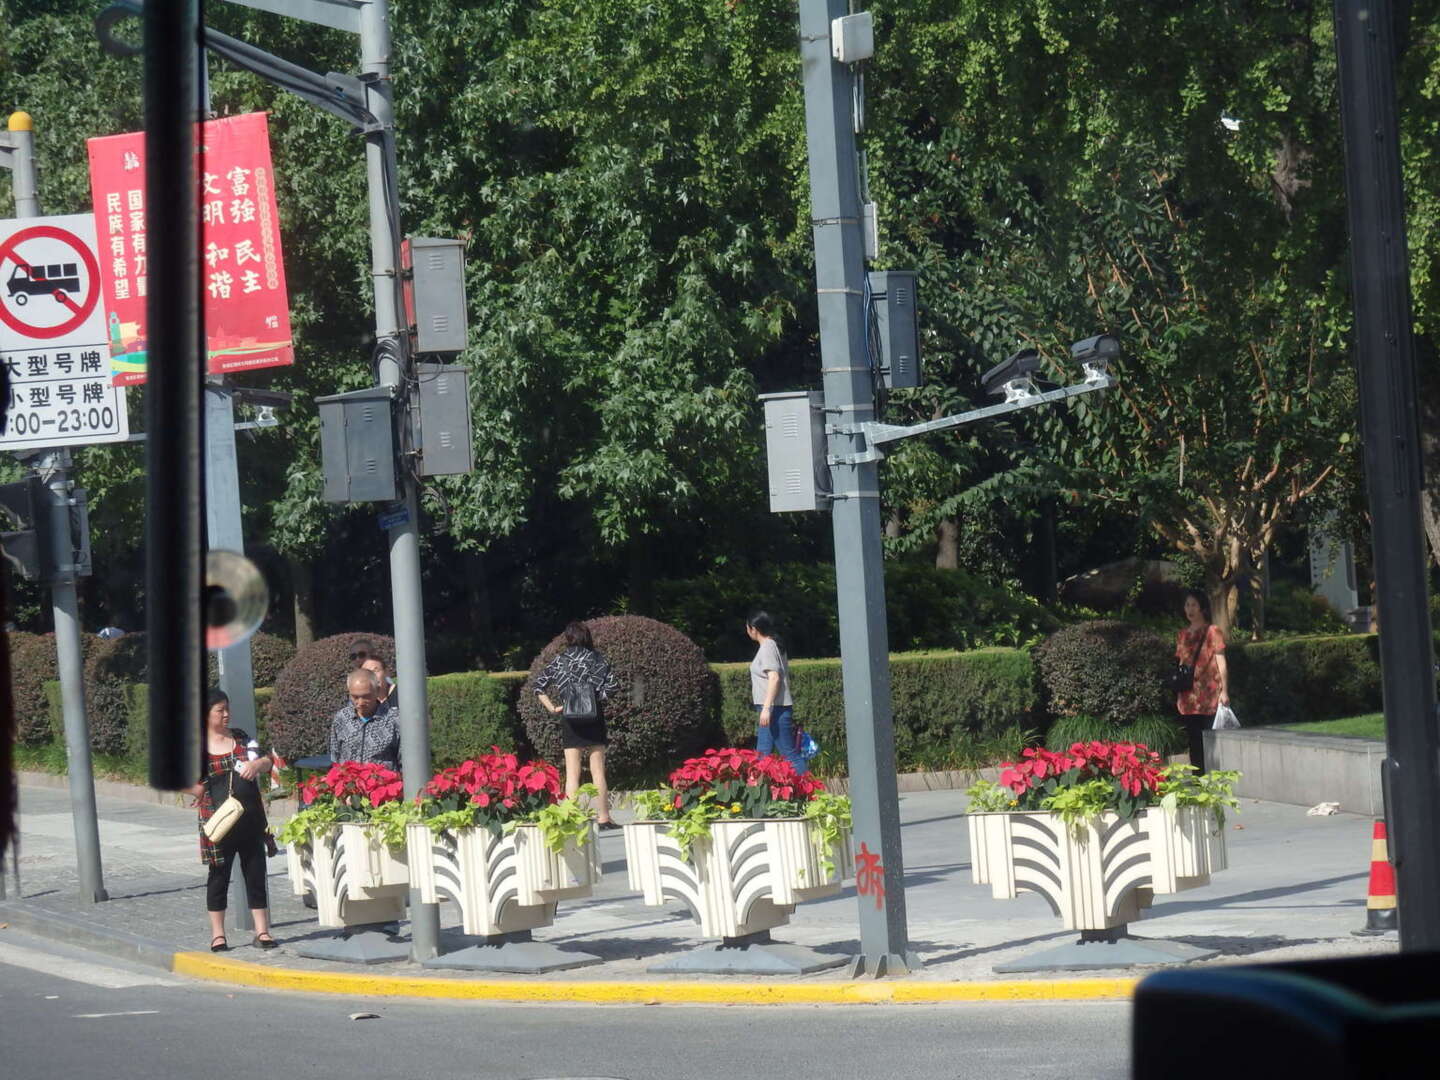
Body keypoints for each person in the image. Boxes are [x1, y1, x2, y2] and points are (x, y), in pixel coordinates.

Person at [190, 689, 277, 952]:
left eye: (227, 708)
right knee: (218, 876)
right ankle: (218, 934)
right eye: (220, 710)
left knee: (256, 873)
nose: (226, 714)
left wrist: (257, 765)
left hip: (249, 817)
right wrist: (195, 789)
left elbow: (267, 760)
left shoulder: (240, 738)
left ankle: (262, 931)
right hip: (217, 822)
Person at [535, 621, 620, 831]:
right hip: (594, 717)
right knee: (597, 771)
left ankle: (571, 818)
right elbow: (613, 686)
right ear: (587, 636)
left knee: (572, 773)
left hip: (570, 718)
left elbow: (539, 686)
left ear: (568, 638)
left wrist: (553, 708)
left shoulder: (560, 660)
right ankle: (604, 818)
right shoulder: (597, 658)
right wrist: (595, 698)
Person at [1174, 588, 1229, 775]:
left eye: (1194, 605)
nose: (1190, 609)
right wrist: (1179, 692)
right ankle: (1198, 779)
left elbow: (1221, 661)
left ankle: (1215, 776)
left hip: (1210, 693)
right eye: (1187, 605)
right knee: (1194, 739)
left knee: (1211, 738)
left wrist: (1224, 691)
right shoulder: (1182, 634)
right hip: (1189, 696)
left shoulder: (1213, 631)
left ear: (1202, 607)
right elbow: (1181, 663)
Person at [746, 611, 807, 774]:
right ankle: (759, 788)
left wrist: (767, 708)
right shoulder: (773, 644)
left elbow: (774, 678)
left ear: (753, 629)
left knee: (789, 755)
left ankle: (808, 788)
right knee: (762, 754)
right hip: (772, 708)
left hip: (774, 709)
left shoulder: (768, 647)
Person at [330, 668, 401, 769]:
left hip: (382, 778)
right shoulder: (342, 718)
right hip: (349, 778)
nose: (360, 702)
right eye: (355, 697)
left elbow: (403, 760)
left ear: (377, 690)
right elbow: (335, 755)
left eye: (366, 696)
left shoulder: (394, 719)